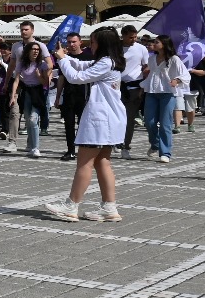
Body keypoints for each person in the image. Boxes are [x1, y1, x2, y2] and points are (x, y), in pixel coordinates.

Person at [45, 28, 128, 222]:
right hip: (110, 118)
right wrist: (64, 57)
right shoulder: (111, 61)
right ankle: (109, 207)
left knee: (84, 162)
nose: (90, 45)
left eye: (92, 42)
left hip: (101, 119)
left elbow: (77, 78)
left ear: (102, 43)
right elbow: (83, 65)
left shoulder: (106, 62)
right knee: (102, 162)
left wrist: (62, 60)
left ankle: (70, 205)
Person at [142, 34, 188, 164]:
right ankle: (155, 144)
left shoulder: (174, 59)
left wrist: (177, 80)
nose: (153, 44)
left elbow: (185, 75)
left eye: (156, 42)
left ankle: (165, 152)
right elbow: (151, 73)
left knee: (165, 124)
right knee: (149, 122)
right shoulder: (152, 58)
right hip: (151, 92)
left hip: (167, 94)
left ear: (164, 44)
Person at [7, 40, 50, 158]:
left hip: (37, 92)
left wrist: (38, 75)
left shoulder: (42, 64)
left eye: (37, 50)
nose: (35, 51)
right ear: (28, 51)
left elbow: (45, 82)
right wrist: (13, 96)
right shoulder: (21, 64)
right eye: (33, 49)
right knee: (27, 119)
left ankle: (36, 148)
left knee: (32, 119)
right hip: (26, 92)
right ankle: (31, 145)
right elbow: (16, 80)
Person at [57, 31, 91, 161]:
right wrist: (58, 96)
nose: (71, 44)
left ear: (80, 42)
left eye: (74, 42)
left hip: (84, 95)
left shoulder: (88, 56)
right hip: (69, 95)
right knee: (68, 124)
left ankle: (84, 149)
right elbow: (61, 77)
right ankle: (70, 150)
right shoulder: (64, 57)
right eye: (69, 42)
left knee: (83, 124)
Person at [118, 25, 149, 157]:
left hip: (134, 86)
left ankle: (126, 146)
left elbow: (146, 67)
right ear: (123, 36)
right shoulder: (115, 48)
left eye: (135, 37)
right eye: (131, 37)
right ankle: (115, 142)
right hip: (116, 86)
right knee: (116, 117)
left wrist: (143, 85)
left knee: (129, 118)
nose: (134, 40)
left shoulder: (141, 48)